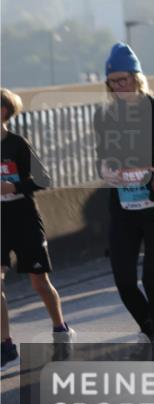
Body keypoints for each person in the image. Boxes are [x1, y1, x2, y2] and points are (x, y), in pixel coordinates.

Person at [93, 43, 154, 368]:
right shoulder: (104, 115)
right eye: (113, 82)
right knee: (125, 282)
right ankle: (150, 331)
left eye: (124, 80)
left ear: (137, 78)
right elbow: (103, 156)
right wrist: (106, 171)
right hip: (123, 211)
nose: (119, 87)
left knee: (152, 281)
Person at [1, 87, 75, 366]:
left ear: (3, 111)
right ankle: (5, 345)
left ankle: (60, 330)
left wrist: (14, 185)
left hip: (24, 220)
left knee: (39, 282)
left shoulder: (17, 144)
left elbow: (44, 179)